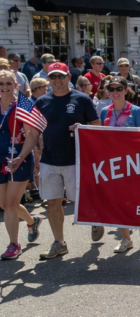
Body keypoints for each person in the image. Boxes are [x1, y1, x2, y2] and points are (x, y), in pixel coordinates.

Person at [34, 63, 101, 259]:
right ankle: (59, 243)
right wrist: (24, 156)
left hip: (76, 160)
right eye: (53, 77)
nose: (57, 80)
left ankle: (95, 219)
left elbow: (97, 126)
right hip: (49, 160)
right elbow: (33, 134)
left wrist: (83, 127)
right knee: (53, 202)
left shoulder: (81, 99)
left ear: (68, 77)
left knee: (77, 200)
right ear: (48, 79)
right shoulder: (41, 102)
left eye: (61, 76)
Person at [96, 76, 140, 252]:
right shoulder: (105, 111)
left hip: (134, 163)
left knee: (135, 198)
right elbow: (101, 136)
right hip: (113, 163)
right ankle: (126, 239)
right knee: (117, 200)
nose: (115, 92)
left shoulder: (135, 111)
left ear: (126, 90)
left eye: (119, 89)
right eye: (111, 89)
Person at [0, 70, 43, 261]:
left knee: (10, 203)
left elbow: (32, 135)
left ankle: (13, 244)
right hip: (0, 157)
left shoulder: (22, 106)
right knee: (4, 204)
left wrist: (22, 155)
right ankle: (33, 222)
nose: (4, 87)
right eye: (1, 84)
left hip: (20, 158)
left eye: (8, 83)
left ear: (15, 85)